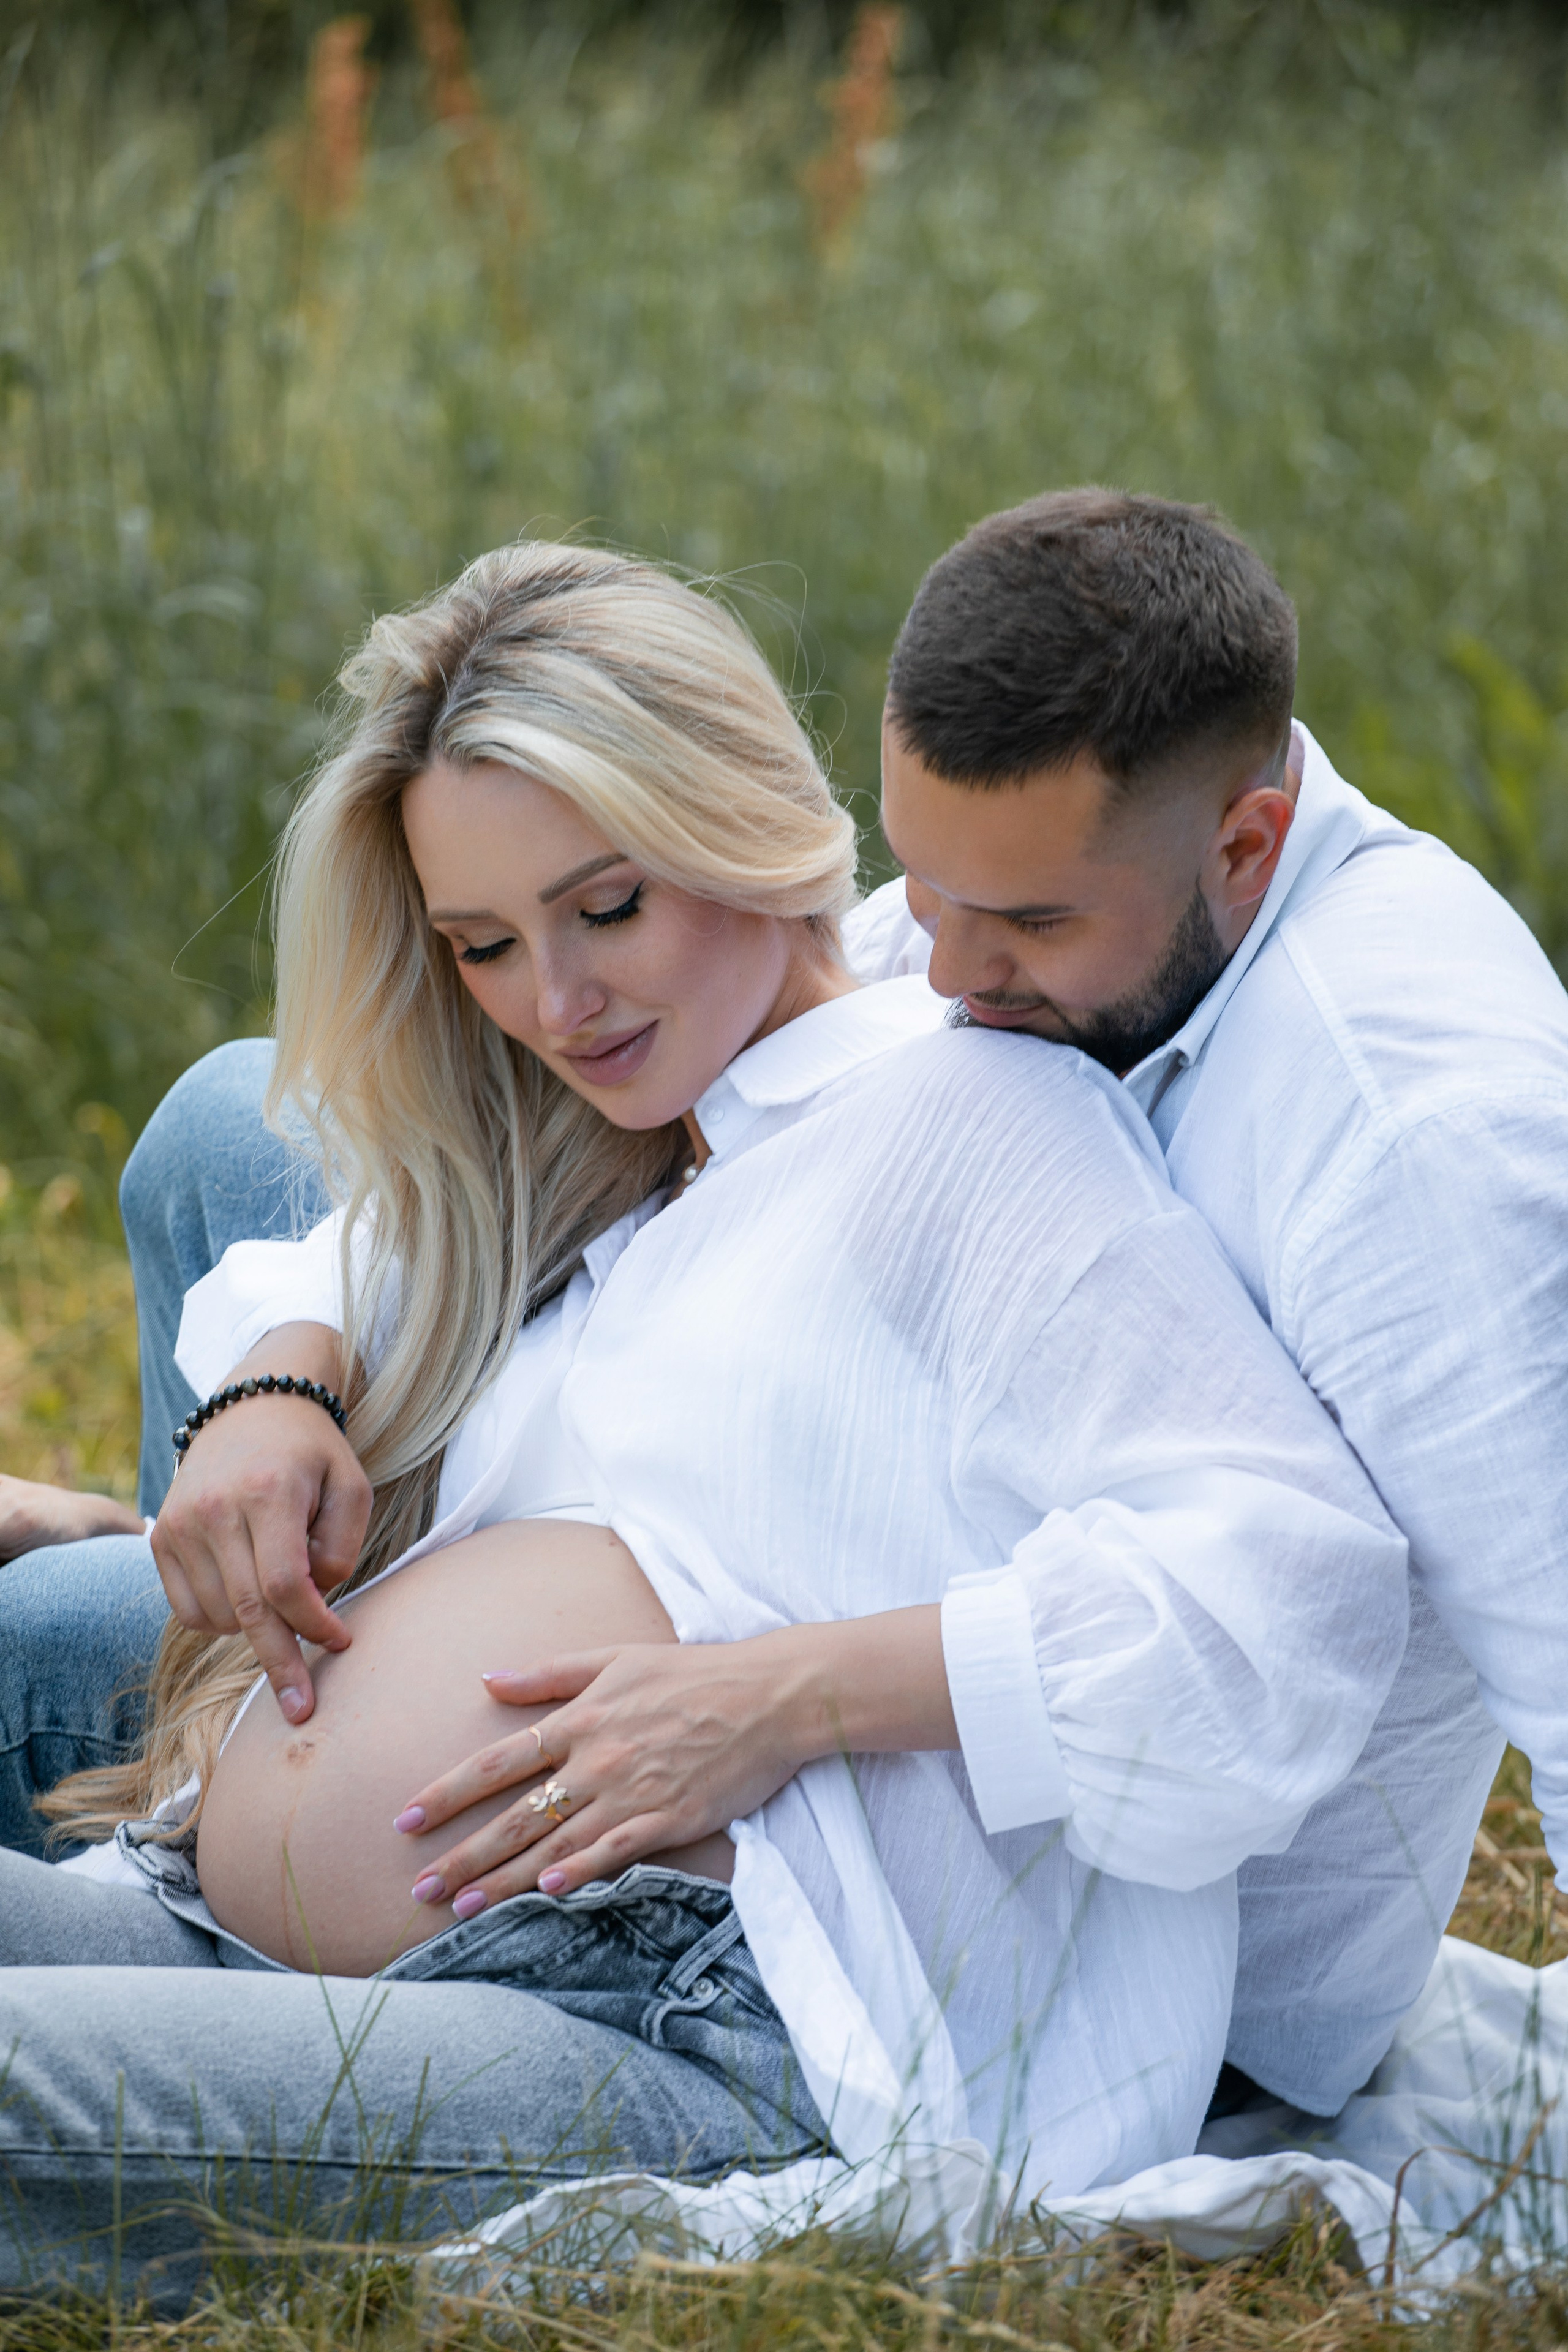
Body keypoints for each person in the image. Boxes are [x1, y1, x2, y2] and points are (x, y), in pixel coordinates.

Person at [0, 540, 1408, 2303]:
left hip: (713, 2032)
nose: (557, 1003)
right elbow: (362, 1227)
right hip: (258, 1930)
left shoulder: (957, 1122)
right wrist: (279, 1383)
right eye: (485, 946)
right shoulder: (648, 1130)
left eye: (608, 908)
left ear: (732, 812)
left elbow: (1288, 1599)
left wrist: (785, 1699)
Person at [854, 486, 1568, 2121]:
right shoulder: (1019, 919)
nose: (945, 970)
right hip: (855, 1764)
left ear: (1242, 845)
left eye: (1027, 920)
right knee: (238, 1133)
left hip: (1106, 1978)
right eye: (920, 883)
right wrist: (296, 1371)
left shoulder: (1420, 1148)